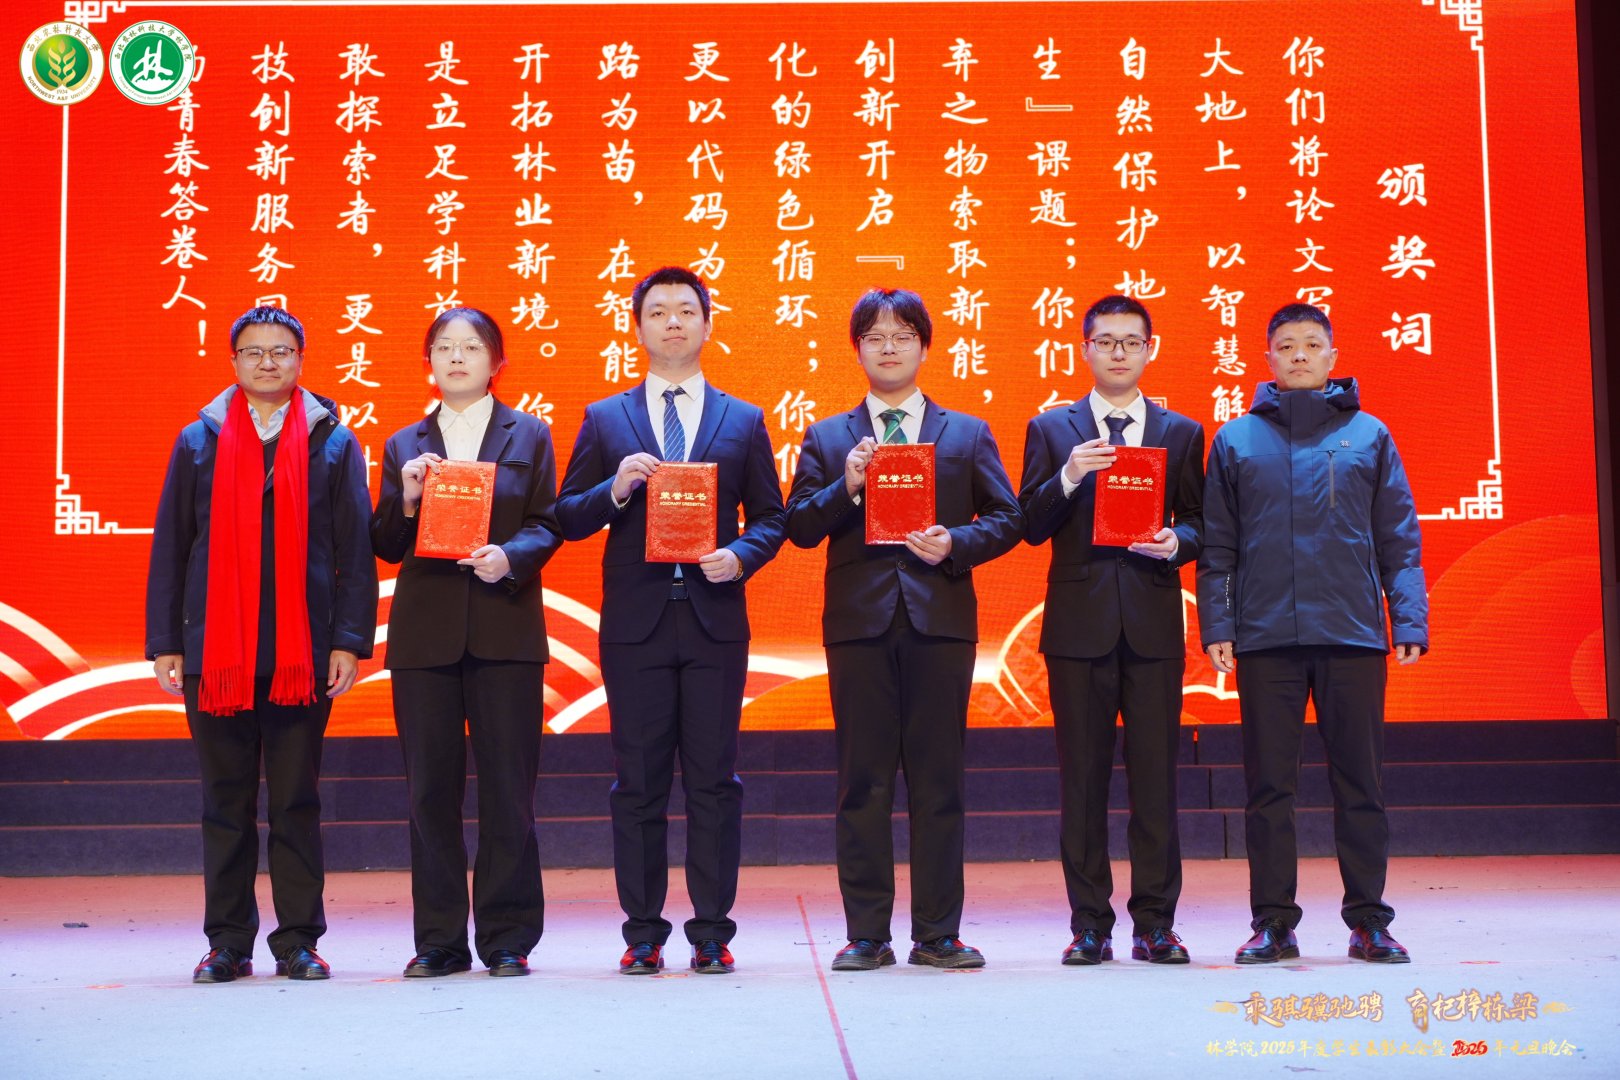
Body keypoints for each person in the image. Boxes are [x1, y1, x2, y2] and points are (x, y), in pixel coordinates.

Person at [556, 267, 786, 976]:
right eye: (658, 311)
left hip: (715, 621)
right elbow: (567, 515)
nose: (674, 322)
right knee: (639, 782)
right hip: (637, 626)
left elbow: (772, 517)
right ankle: (643, 932)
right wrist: (616, 486)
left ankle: (712, 931)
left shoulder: (743, 419)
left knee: (715, 782)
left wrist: (740, 556)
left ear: (708, 324)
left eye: (687, 310)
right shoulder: (606, 418)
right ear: (638, 327)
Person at [786, 288, 1023, 972]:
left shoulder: (965, 433)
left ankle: (938, 933)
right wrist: (846, 486)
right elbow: (798, 526)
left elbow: (1008, 518)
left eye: (903, 335)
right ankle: (867, 934)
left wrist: (956, 543)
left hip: (939, 622)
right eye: (875, 336)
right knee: (862, 782)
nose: (889, 347)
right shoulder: (829, 437)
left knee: (938, 781)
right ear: (857, 349)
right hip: (859, 626)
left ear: (924, 346)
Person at [146, 305, 378, 984]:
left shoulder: (333, 441)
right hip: (214, 652)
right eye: (254, 351)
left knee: (296, 801)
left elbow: (354, 553)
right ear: (234, 362)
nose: (268, 362)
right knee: (225, 803)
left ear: (301, 359)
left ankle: (299, 941)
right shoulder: (199, 440)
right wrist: (167, 641)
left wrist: (348, 641)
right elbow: (172, 546)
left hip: (300, 652)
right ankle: (227, 943)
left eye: (281, 351)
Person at [1198, 302, 1427, 965]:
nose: (1299, 355)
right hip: (1265, 635)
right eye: (1287, 346)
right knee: (1269, 788)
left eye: (1311, 344)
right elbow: (1218, 547)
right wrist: (1219, 624)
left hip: (1351, 633)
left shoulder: (1369, 434)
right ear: (1268, 358)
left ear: (1332, 357)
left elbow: (1398, 536)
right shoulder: (1236, 440)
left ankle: (1369, 921)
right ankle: (1273, 923)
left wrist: (1407, 617)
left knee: (1361, 784)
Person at [372, 307, 562, 978]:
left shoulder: (529, 433)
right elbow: (385, 544)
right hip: (424, 637)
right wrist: (405, 497)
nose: (457, 357)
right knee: (430, 792)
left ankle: (508, 938)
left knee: (509, 790)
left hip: (505, 628)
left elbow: (547, 523)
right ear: (429, 362)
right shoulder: (404, 443)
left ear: (496, 362)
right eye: (444, 347)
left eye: (472, 347)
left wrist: (510, 556)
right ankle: (440, 941)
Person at [1018, 295, 1203, 967]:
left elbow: (1203, 522)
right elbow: (1028, 523)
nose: (1119, 352)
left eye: (1131, 341)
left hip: (1152, 625)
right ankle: (1089, 924)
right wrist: (1069, 475)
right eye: (1106, 341)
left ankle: (1156, 924)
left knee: (1156, 783)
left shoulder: (1181, 432)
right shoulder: (1052, 429)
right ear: (1086, 349)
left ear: (1150, 349)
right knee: (1083, 783)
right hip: (1078, 628)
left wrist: (1177, 542)